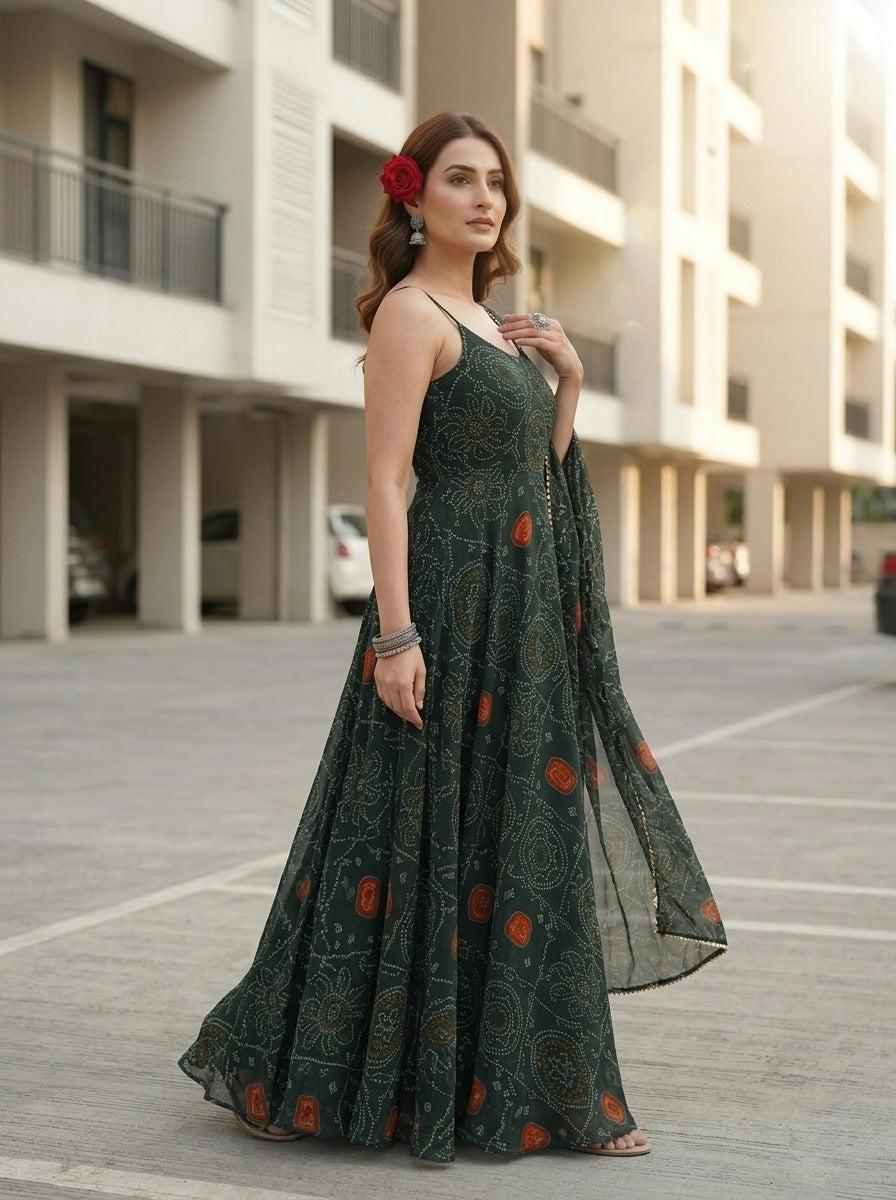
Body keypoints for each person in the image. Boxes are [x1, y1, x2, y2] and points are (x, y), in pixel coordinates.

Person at [178, 111, 727, 1165]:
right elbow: (386, 482)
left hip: (522, 622)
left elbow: (535, 474)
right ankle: (338, 1074)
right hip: (446, 607)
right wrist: (396, 638)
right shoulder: (410, 314)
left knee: (520, 841)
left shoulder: (494, 323)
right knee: (407, 839)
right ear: (414, 196)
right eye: (462, 179)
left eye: (496, 184)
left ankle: (542, 1091)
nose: (485, 199)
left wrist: (567, 382)